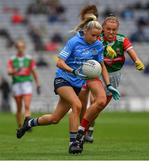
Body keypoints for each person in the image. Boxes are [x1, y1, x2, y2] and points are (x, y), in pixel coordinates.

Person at [15, 15, 119, 154]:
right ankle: (73, 143)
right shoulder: (74, 42)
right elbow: (59, 62)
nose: (96, 38)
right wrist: (73, 71)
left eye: (98, 36)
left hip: (76, 84)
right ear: (86, 31)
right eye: (93, 35)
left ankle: (29, 123)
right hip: (63, 79)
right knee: (77, 105)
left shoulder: (98, 45)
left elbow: (102, 66)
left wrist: (108, 84)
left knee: (54, 118)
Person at [74, 15, 145, 144]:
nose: (111, 32)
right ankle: (81, 132)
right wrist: (104, 47)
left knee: (98, 106)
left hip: (114, 76)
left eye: (114, 29)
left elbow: (131, 50)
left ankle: (88, 129)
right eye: (108, 29)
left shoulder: (121, 40)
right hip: (96, 73)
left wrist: (137, 61)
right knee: (90, 100)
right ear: (103, 29)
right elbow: (83, 38)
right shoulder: (97, 37)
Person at [7, 39, 41, 129]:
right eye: (18, 47)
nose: (20, 49)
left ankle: (27, 124)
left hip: (27, 83)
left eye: (22, 47)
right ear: (16, 48)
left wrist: (38, 84)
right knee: (19, 107)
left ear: (24, 48)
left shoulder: (29, 59)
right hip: (16, 84)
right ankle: (20, 125)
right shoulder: (12, 59)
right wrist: (15, 71)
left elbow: (34, 72)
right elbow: (9, 72)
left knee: (26, 105)